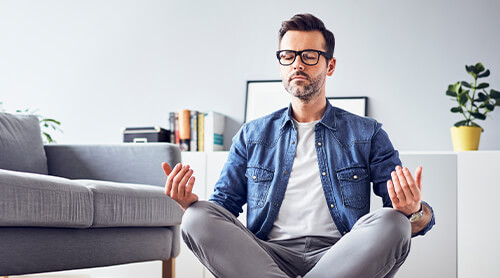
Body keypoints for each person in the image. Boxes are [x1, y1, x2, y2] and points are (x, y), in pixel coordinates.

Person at [162, 13, 435, 278]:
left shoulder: (367, 133)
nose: (297, 64)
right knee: (197, 218)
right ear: (280, 63)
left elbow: (414, 223)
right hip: (266, 257)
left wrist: (414, 211)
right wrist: (189, 205)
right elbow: (223, 209)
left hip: (341, 255)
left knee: (396, 222)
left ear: (330, 65)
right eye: (288, 56)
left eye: (309, 56)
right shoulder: (252, 134)